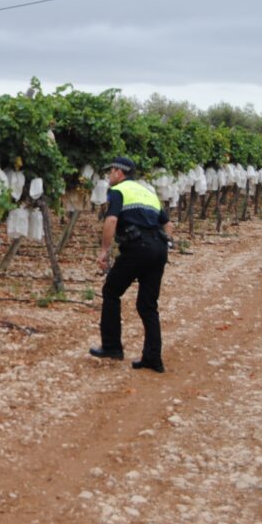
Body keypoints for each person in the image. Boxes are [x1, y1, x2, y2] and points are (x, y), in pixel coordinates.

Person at [90, 157, 173, 372]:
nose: (109, 176)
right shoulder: (148, 192)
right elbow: (168, 223)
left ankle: (112, 346)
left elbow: (111, 221)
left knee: (111, 291)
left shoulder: (118, 191)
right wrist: (167, 245)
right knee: (148, 304)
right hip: (158, 248)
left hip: (138, 248)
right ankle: (153, 358)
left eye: (111, 172)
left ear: (119, 172)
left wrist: (104, 252)